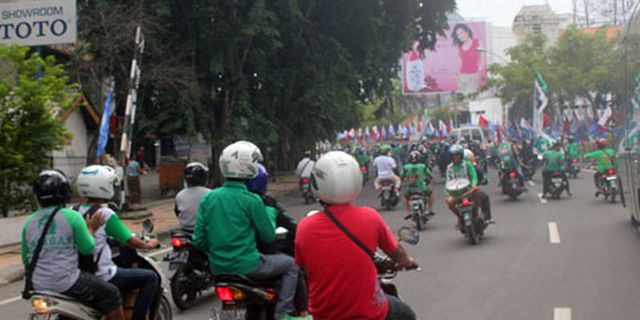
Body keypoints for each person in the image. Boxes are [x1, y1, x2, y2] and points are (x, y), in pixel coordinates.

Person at [295, 151, 417, 320]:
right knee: (406, 314)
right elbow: (396, 252)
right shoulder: (370, 217)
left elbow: (305, 270)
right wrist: (407, 262)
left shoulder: (304, 227)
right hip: (370, 313)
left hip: (324, 315)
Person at [193, 141, 299, 320]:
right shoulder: (252, 200)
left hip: (218, 269)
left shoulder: (208, 198)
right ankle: (282, 313)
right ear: (249, 167)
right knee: (291, 265)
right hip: (249, 265)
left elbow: (199, 240)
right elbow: (267, 236)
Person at [22, 170, 125, 320]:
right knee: (112, 293)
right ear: (64, 193)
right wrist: (91, 228)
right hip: (66, 282)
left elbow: (26, 260)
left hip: (37, 285)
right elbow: (87, 248)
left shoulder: (29, 222)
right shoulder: (72, 217)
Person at [75, 165, 160, 320]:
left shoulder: (74, 211)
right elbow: (130, 240)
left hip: (80, 274)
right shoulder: (105, 214)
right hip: (102, 274)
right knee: (151, 278)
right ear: (103, 187)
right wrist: (149, 244)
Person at [444, 145, 481, 229]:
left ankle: (477, 211)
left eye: (457, 155)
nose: (456, 157)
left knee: (477, 192)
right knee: (449, 203)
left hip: (468, 190)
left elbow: (473, 175)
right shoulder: (449, 168)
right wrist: (447, 194)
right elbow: (447, 181)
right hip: (455, 192)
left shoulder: (467, 164)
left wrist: (474, 184)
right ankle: (459, 216)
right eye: (454, 156)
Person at [175, 162, 211, 231]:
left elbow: (177, 212)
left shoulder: (179, 195)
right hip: (204, 230)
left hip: (184, 230)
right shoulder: (209, 193)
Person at [451, 23, 484, 94]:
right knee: (463, 98)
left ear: (467, 32)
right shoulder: (460, 47)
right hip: (461, 76)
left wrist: (477, 74)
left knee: (473, 97)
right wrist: (456, 76)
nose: (460, 36)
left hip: (473, 76)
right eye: (458, 34)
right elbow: (459, 62)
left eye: (461, 33)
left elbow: (483, 59)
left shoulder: (478, 42)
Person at [401, 151, 434, 217]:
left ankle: (408, 212)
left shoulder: (406, 167)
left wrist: (404, 181)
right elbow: (430, 176)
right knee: (430, 193)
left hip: (410, 188)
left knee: (405, 197)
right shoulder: (422, 166)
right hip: (422, 188)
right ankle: (430, 210)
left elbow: (402, 176)